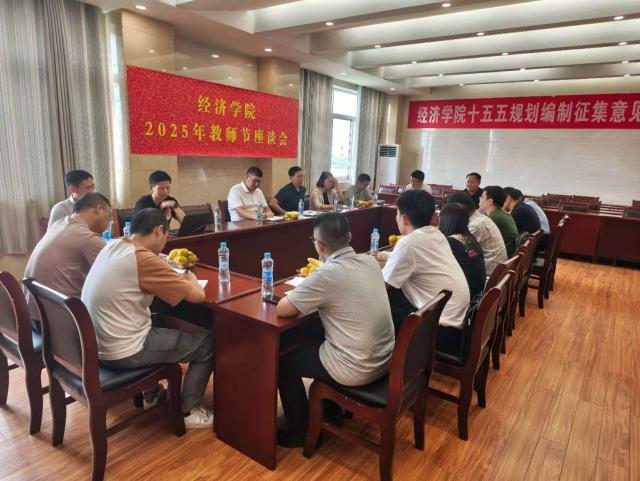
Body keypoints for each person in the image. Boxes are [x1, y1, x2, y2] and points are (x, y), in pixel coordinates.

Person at [82, 208, 213, 428]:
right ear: (159, 230)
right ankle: (189, 410)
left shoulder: (113, 245)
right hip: (124, 350)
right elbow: (198, 296)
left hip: (97, 346)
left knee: (161, 319)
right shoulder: (142, 259)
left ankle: (151, 394)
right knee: (207, 344)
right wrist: (190, 276)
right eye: (166, 235)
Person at [275, 213, 395, 447]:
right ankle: (331, 413)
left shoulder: (327, 274)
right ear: (349, 236)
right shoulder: (369, 261)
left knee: (283, 361)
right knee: (316, 339)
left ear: (319, 246)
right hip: (384, 359)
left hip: (356, 367)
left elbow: (283, 309)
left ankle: (301, 432)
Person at [377, 189, 469, 333]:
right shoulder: (436, 234)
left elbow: (381, 285)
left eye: (397, 213)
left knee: (376, 308)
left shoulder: (408, 243)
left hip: (437, 327)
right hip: (455, 319)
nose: (396, 218)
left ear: (404, 219)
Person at [25, 192, 110, 327]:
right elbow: (113, 279)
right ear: (99, 209)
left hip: (33, 315)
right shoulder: (87, 237)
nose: (108, 222)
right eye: (108, 216)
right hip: (59, 324)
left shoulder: (58, 224)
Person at [446, 192, 507, 276]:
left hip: (489, 274)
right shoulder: (481, 218)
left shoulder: (476, 226)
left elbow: (456, 249)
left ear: (459, 210)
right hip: (496, 269)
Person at [438, 203, 486, 300]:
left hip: (465, 296)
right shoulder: (468, 238)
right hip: (476, 292)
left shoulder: (452, 241)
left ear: (446, 221)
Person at [480, 186, 519, 257]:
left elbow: (475, 241)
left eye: (482, 197)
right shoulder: (502, 213)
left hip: (501, 257)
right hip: (508, 254)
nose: (480, 199)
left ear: (490, 201)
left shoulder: (493, 218)